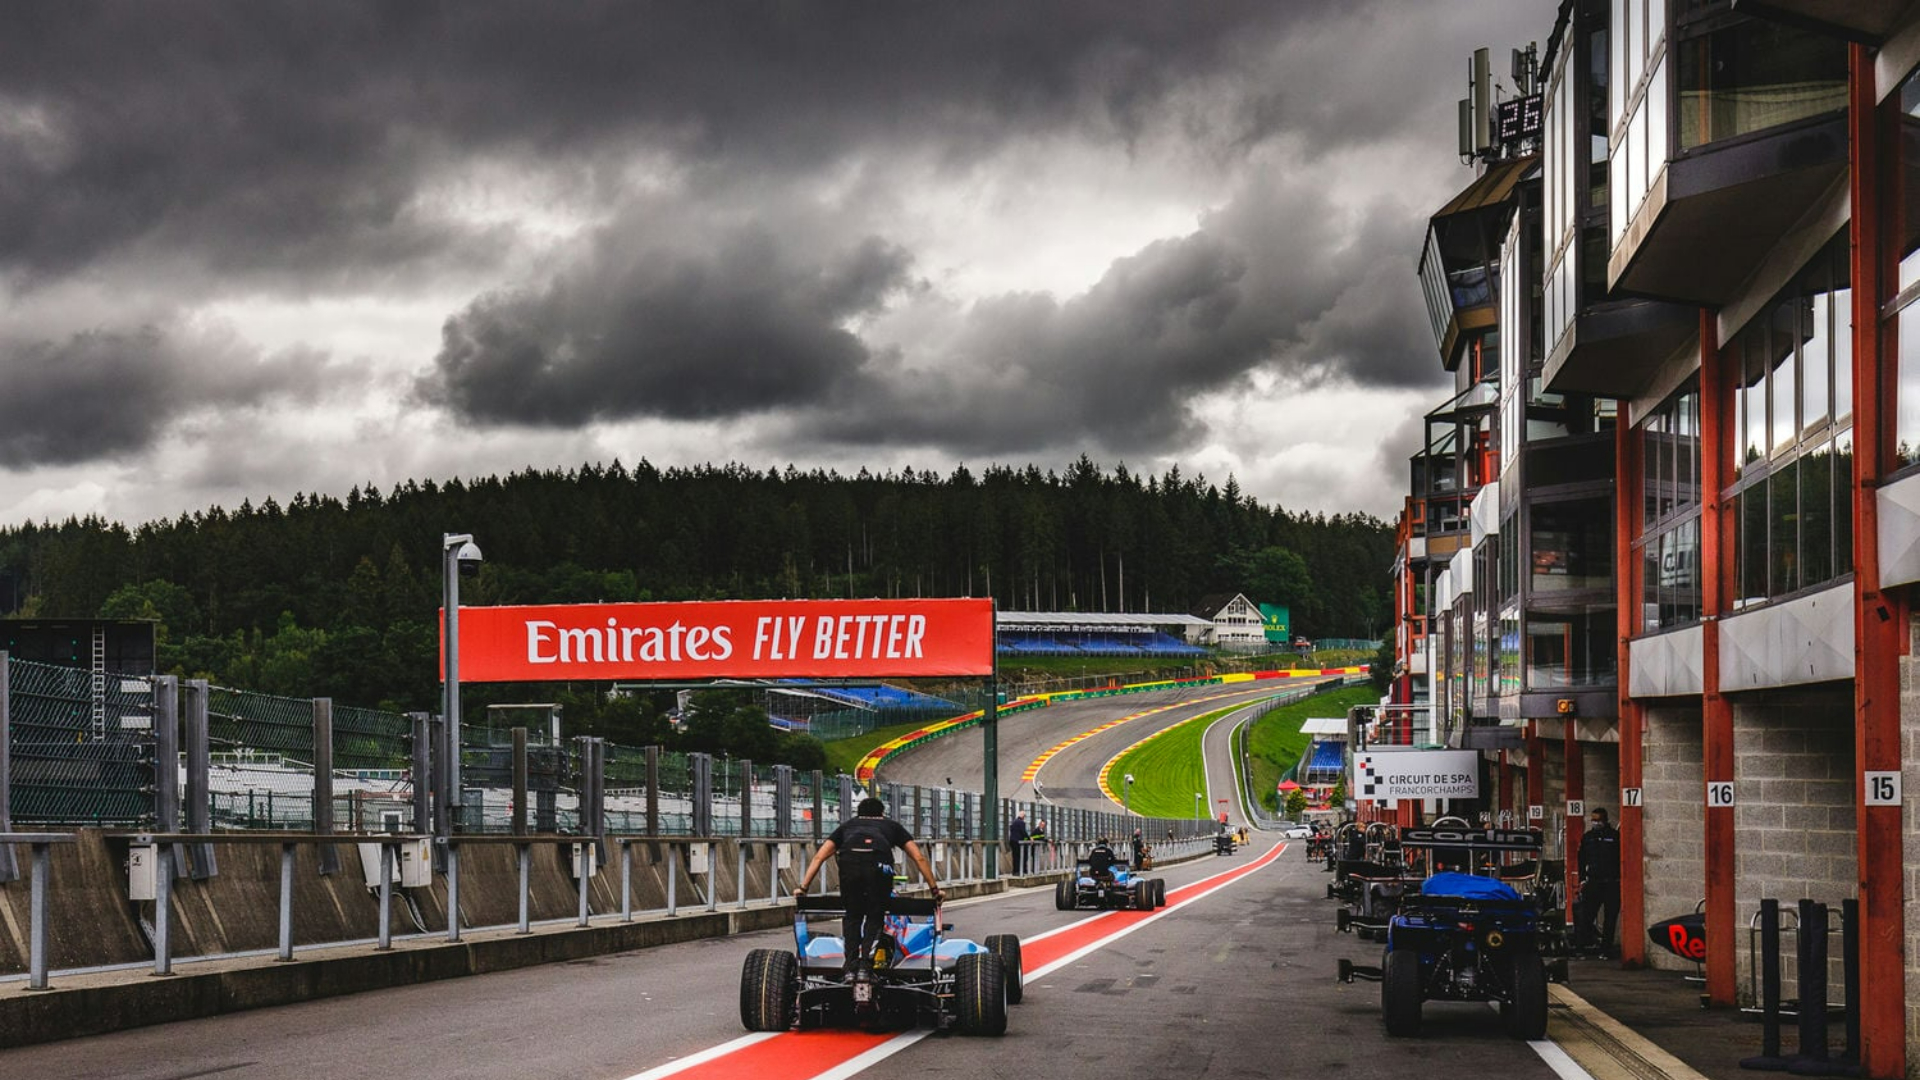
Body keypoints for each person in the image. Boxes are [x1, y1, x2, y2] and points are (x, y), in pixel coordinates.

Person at [794, 797, 943, 974]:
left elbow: (819, 857)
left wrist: (803, 888)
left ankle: (850, 966)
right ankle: (866, 963)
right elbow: (919, 858)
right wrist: (935, 890)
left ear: (859, 814)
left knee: (852, 916)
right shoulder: (892, 826)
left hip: (849, 867)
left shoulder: (848, 826)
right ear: (882, 813)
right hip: (879, 867)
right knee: (875, 914)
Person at [1576, 806, 1622, 956]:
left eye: (1598, 820)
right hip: (1593, 882)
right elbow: (1581, 859)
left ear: (1605, 820)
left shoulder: (1615, 837)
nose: (1595, 823)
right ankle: (1582, 948)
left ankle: (1606, 949)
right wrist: (1582, 879)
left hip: (1611, 882)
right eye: (1593, 820)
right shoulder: (1588, 837)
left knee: (1610, 917)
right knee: (1586, 916)